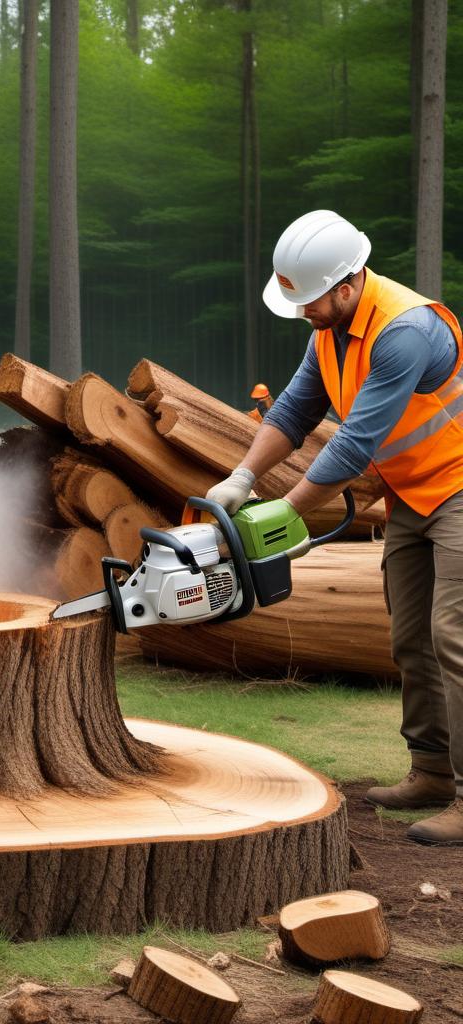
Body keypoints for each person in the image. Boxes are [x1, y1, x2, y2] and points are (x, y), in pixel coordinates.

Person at [208, 209, 463, 845]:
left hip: (461, 488)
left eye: (309, 301)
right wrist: (241, 477)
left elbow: (353, 445)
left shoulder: (403, 330)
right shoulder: (330, 329)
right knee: (408, 635)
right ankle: (432, 770)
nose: (301, 313)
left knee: (454, 635)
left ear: (346, 286)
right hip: (413, 494)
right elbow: (295, 409)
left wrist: (285, 511)